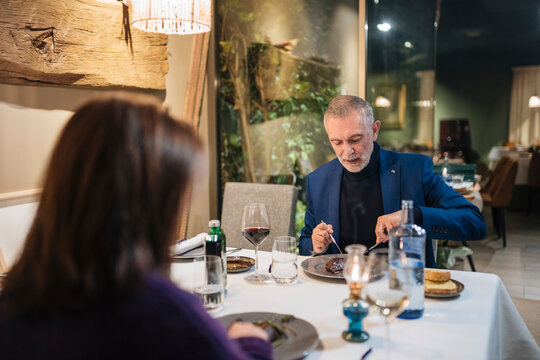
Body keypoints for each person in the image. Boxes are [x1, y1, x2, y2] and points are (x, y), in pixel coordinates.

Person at [0, 94, 273, 359]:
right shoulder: (160, 315)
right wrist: (252, 341)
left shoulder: (14, 304)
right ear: (146, 204)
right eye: (177, 197)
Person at [298, 95, 486, 267]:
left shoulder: (414, 169)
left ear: (374, 130)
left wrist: (411, 217)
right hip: (339, 288)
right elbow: (305, 242)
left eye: (355, 139)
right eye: (337, 142)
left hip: (400, 285)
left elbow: (475, 222)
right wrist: (316, 244)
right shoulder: (318, 180)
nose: (347, 152)